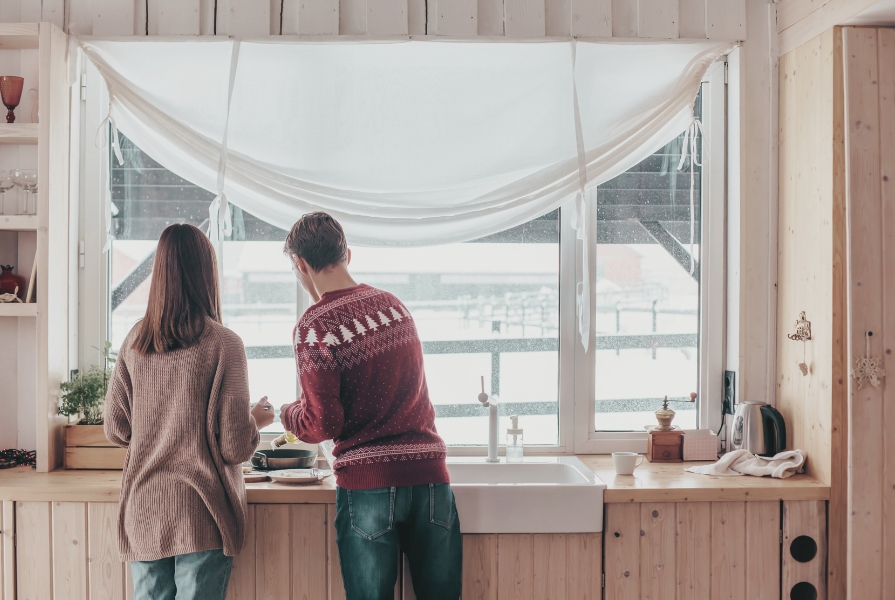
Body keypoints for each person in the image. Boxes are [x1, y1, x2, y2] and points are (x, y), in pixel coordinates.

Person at [278, 212, 462, 600]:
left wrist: (288, 413)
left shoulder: (315, 325)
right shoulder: (394, 306)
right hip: (431, 479)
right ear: (348, 253)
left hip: (369, 487)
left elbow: (323, 423)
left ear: (300, 263)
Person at [104, 223, 276, 600]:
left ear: (159, 273)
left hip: (144, 509)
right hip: (202, 513)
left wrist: (157, 426)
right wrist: (257, 420)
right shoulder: (225, 344)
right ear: (206, 274)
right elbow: (234, 447)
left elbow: (115, 428)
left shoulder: (134, 340)